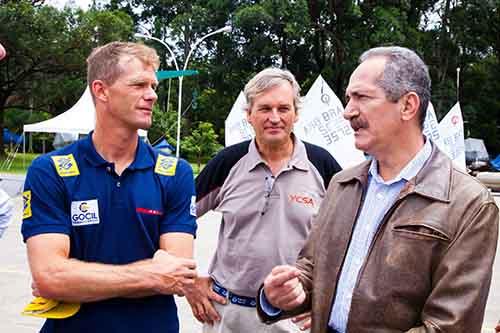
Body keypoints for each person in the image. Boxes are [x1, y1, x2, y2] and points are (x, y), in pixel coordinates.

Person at [259, 46, 499, 333]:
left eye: (361, 97)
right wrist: (285, 294)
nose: (348, 112)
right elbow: (311, 268)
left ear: (408, 106)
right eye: (348, 98)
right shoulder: (342, 185)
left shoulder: (469, 204)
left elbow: (448, 327)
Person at [21, 42, 198, 333]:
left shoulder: (174, 173)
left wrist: (75, 278)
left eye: (153, 85)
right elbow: (50, 277)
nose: (152, 95)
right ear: (101, 90)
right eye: (139, 84)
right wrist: (151, 275)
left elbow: (176, 275)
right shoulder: (50, 169)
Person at [188, 67, 342, 333]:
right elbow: (175, 219)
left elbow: (353, 238)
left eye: (283, 108)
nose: (274, 118)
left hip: (292, 318)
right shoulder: (227, 163)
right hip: (228, 314)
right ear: (249, 114)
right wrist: (190, 282)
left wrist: (330, 298)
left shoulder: (322, 165)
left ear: (296, 113)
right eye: (264, 108)